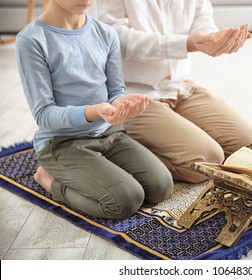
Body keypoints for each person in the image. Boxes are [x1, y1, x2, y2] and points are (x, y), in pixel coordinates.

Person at [15, 0, 173, 219]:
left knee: (161, 186)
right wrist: (94, 111)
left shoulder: (106, 33)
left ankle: (96, 170)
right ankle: (48, 179)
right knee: (125, 201)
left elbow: (116, 90)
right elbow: (43, 115)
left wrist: (121, 104)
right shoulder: (31, 40)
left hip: (109, 134)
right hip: (62, 143)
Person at [89, 0, 252, 183]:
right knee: (204, 163)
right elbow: (116, 39)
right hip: (131, 95)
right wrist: (187, 44)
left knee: (248, 150)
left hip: (180, 87)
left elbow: (201, 18)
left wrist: (212, 38)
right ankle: (113, 148)